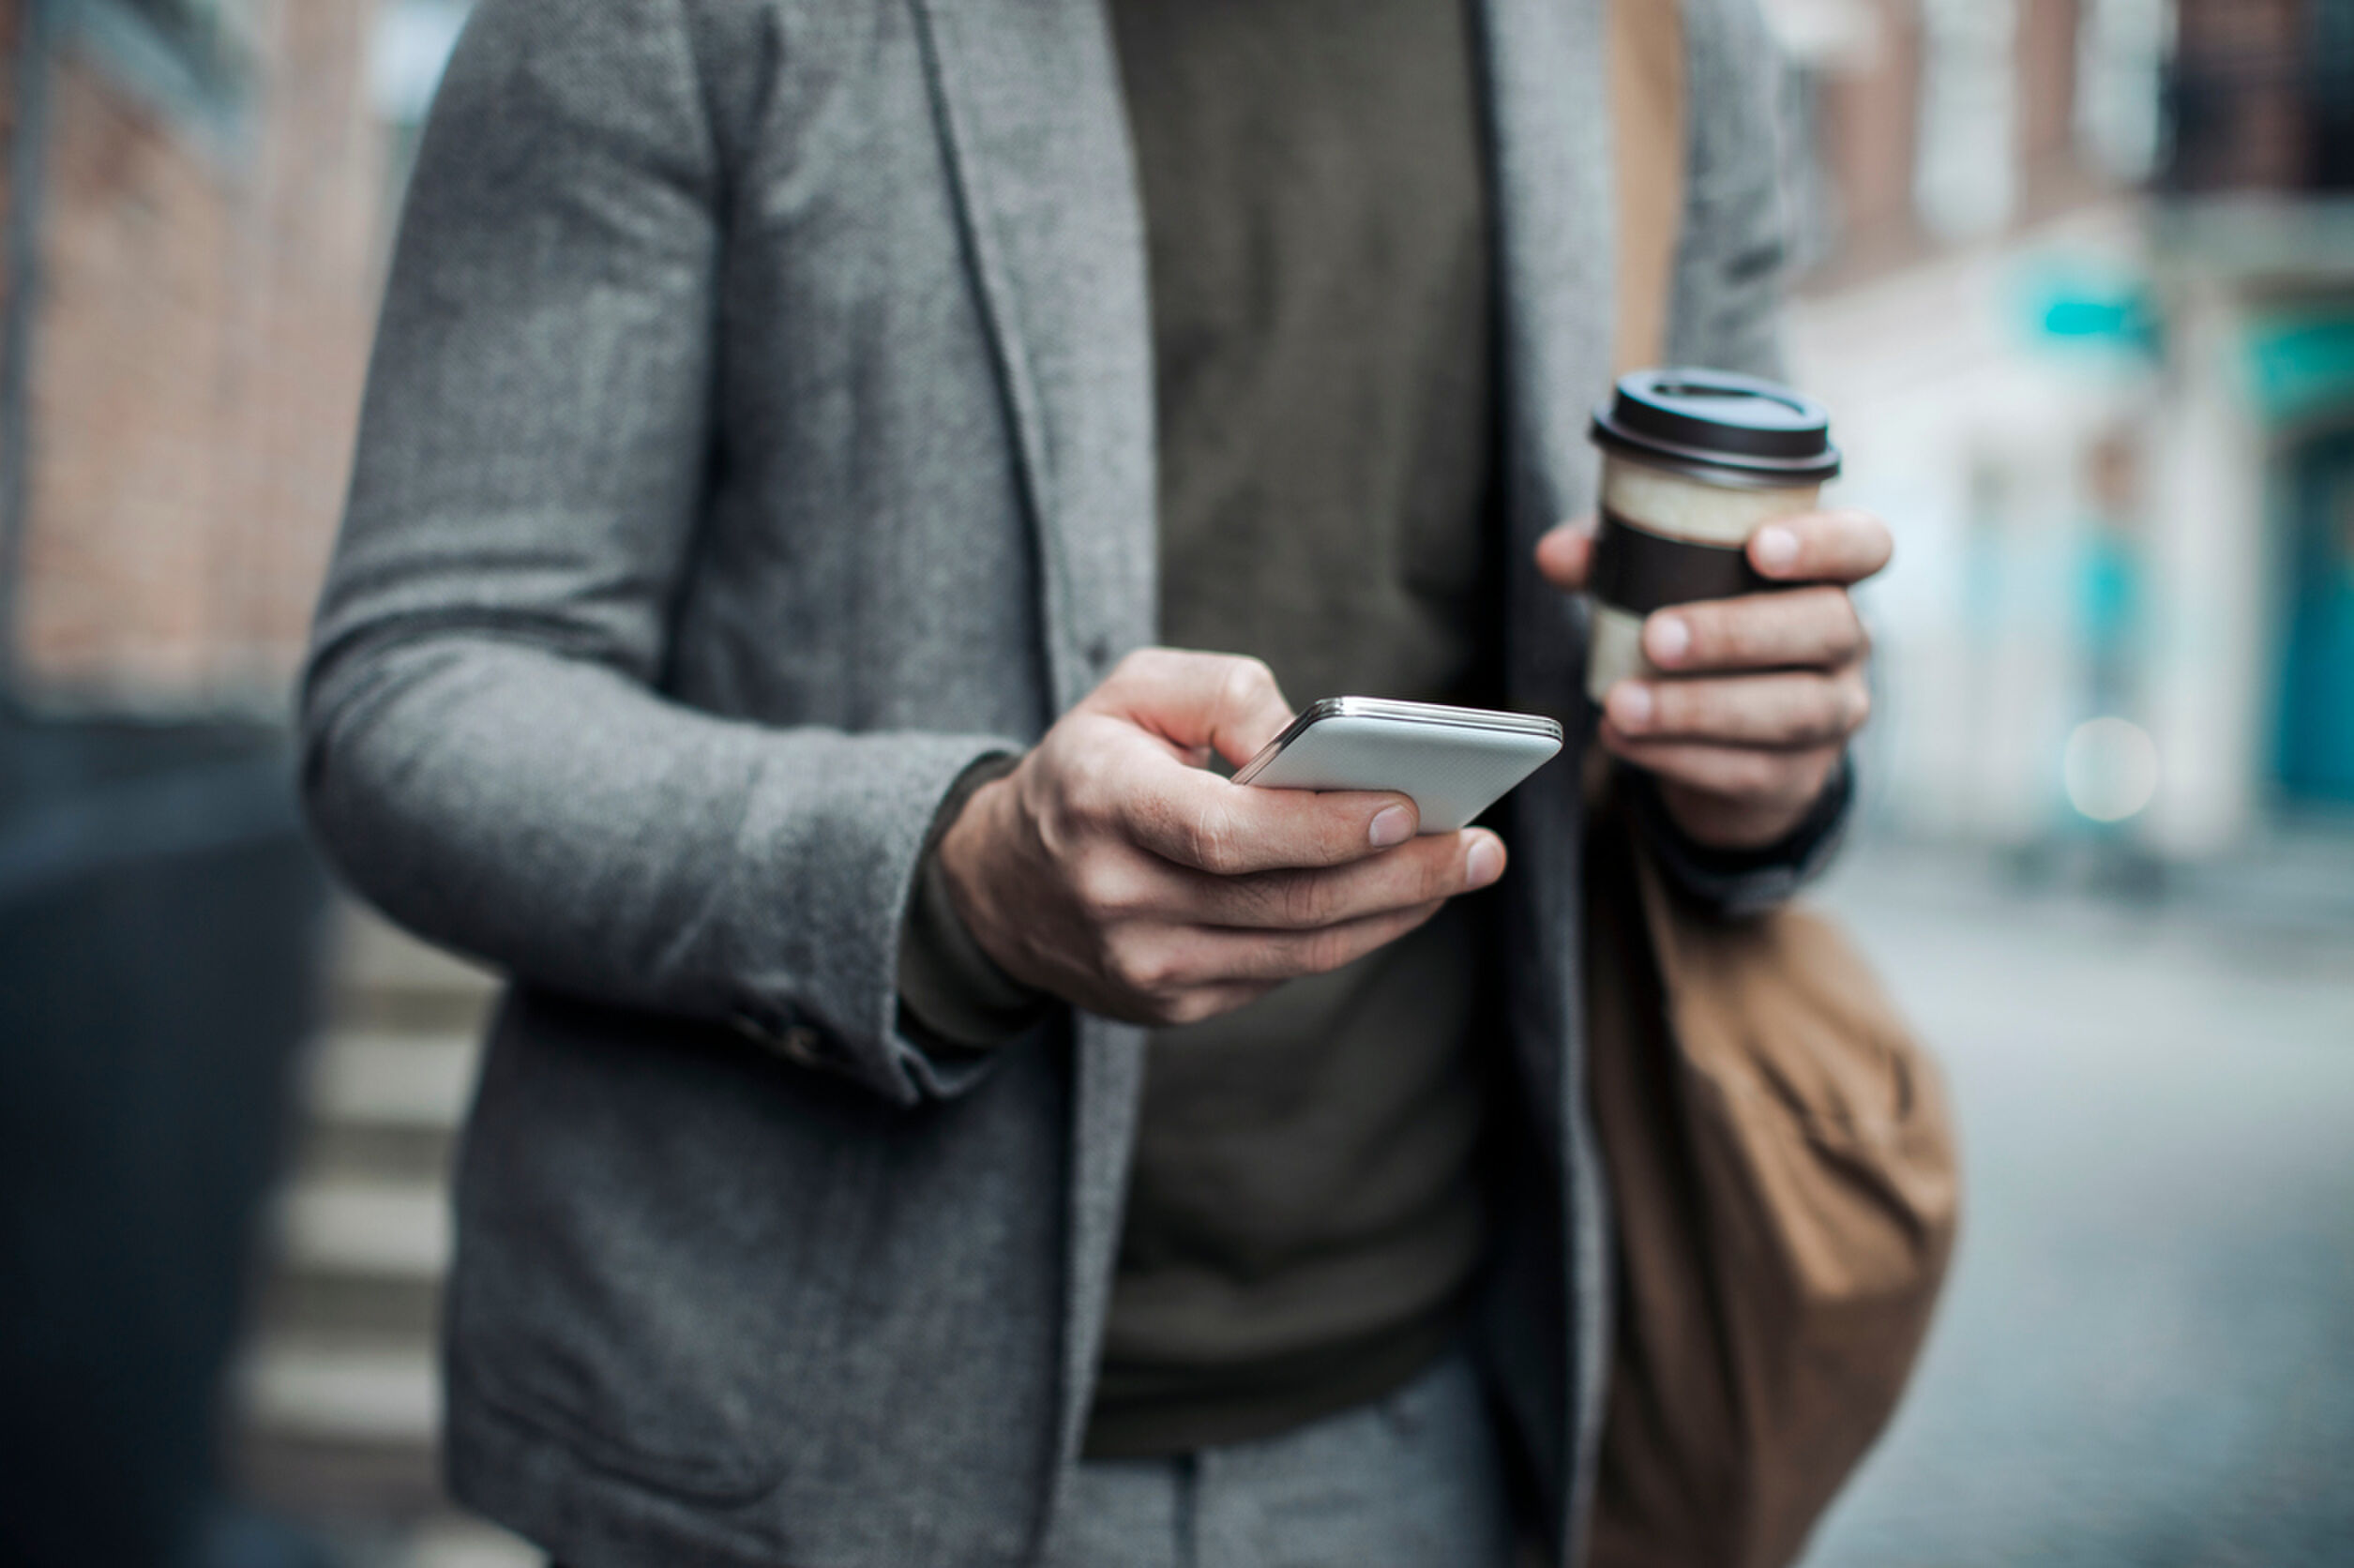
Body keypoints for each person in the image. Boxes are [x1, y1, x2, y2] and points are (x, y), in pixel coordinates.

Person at [301, 0, 1889, 1562]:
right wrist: (949, 888)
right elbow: (421, 688)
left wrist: (1757, 775)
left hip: (1438, 1428)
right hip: (783, 1444)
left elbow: (1715, 615)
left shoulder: (1670, 36)